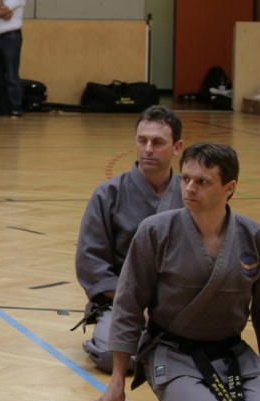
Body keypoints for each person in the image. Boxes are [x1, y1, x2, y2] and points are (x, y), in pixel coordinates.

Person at [76, 142, 260, 401]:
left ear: (229, 187)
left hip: (232, 354)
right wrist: (117, 381)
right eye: (185, 179)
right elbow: (129, 305)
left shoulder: (256, 238)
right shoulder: (156, 231)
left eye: (203, 182)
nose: (190, 189)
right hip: (173, 352)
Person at [74, 107, 184, 374]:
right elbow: (91, 263)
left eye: (158, 142)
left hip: (179, 303)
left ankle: (165, 353)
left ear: (177, 147)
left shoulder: (190, 194)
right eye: (141, 140)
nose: (148, 149)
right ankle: (166, 356)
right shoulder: (109, 194)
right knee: (114, 357)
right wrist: (137, 303)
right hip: (123, 301)